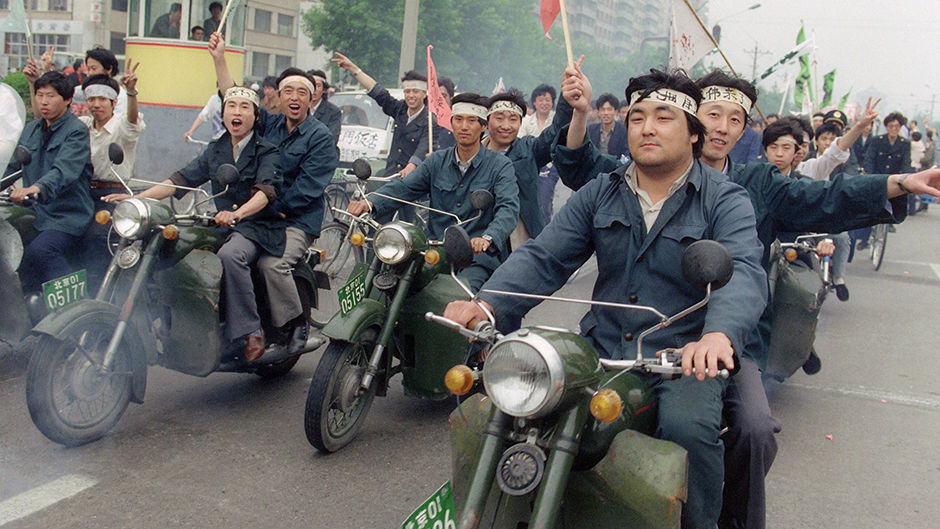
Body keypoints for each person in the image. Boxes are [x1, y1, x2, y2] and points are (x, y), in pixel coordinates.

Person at [554, 65, 940, 529]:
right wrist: (577, 112)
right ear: (695, 122)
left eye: (735, 119)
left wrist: (894, 183)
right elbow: (571, 184)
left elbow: (823, 198)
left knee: (754, 430)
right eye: (712, 114)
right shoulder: (628, 176)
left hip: (722, 342)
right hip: (627, 338)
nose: (721, 127)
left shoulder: (754, 185)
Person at [447, 69, 768, 529]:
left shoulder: (726, 200)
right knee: (513, 405)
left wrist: (716, 336)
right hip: (599, 350)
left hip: (679, 358)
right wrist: (487, 304)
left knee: (688, 431)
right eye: (636, 117)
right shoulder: (603, 191)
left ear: (694, 134)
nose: (647, 128)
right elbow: (545, 255)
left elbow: (743, 272)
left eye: (664, 117)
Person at [104, 86, 285, 362]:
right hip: (221, 225)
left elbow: (265, 193)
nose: (237, 112)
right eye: (231, 106)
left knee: (230, 255)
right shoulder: (216, 149)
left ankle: (251, 330)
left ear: (255, 116)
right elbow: (180, 180)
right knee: (170, 244)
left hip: (257, 226)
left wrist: (238, 214)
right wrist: (137, 198)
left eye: (244, 107)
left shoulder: (267, 150)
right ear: (223, 114)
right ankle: (164, 316)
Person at [209, 33, 337, 351]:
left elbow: (308, 188)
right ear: (278, 97)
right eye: (288, 91)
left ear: (312, 99)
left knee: (271, 265)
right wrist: (219, 59)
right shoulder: (270, 124)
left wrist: (268, 206)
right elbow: (237, 99)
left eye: (302, 92)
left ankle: (298, 326)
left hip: (294, 219)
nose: (294, 97)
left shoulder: (320, 136)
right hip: (261, 213)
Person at [346, 93, 520, 291]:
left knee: (462, 295)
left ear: (483, 126)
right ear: (451, 123)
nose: (464, 127)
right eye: (459, 119)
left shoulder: (500, 165)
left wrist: (487, 238)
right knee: (397, 286)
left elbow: (508, 209)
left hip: (476, 257)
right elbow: (404, 187)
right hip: (436, 249)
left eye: (472, 121)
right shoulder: (437, 161)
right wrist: (370, 203)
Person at [3, 68, 94, 292]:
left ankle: (74, 305)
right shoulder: (32, 129)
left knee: (41, 251)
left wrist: (35, 187)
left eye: (51, 96)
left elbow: (64, 170)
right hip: (36, 212)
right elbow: (12, 165)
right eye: (40, 95)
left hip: (67, 216)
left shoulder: (77, 132)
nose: (44, 101)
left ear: (68, 99)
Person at [78, 61, 146, 288]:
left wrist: (132, 93)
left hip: (113, 194)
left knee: (97, 237)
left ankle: (99, 291)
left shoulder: (121, 126)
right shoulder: (82, 126)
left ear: (114, 102)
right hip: (83, 192)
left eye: (102, 100)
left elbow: (132, 122)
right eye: (91, 99)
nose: (96, 105)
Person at [481, 86, 571, 249]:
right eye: (499, 118)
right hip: (481, 239)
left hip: (520, 239)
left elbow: (556, 132)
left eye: (513, 119)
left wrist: (567, 98)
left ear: (520, 122)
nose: (506, 125)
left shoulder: (528, 150)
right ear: (487, 121)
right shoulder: (475, 155)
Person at [332, 52, 429, 178]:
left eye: (415, 91)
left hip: (414, 178)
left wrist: (411, 166)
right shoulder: (400, 109)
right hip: (391, 175)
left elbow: (423, 148)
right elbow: (378, 92)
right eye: (407, 91)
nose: (411, 95)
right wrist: (353, 68)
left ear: (424, 94)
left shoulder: (430, 120)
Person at [519, 83, 560, 224]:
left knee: (544, 198)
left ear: (553, 102)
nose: (544, 103)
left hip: (551, 166)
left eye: (548, 100)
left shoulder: (557, 120)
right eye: (540, 99)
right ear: (534, 102)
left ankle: (544, 230)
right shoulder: (525, 121)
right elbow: (521, 142)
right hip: (529, 165)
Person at [306, 69, 342, 147]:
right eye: (311, 85)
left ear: (324, 89)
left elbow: (331, 139)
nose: (314, 89)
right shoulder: (299, 109)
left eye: (318, 86)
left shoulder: (333, 112)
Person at [587, 92, 628, 158]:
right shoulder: (591, 130)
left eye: (609, 109)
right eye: (603, 110)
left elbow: (626, 153)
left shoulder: (624, 131)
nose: (606, 113)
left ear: (615, 112)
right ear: (598, 112)